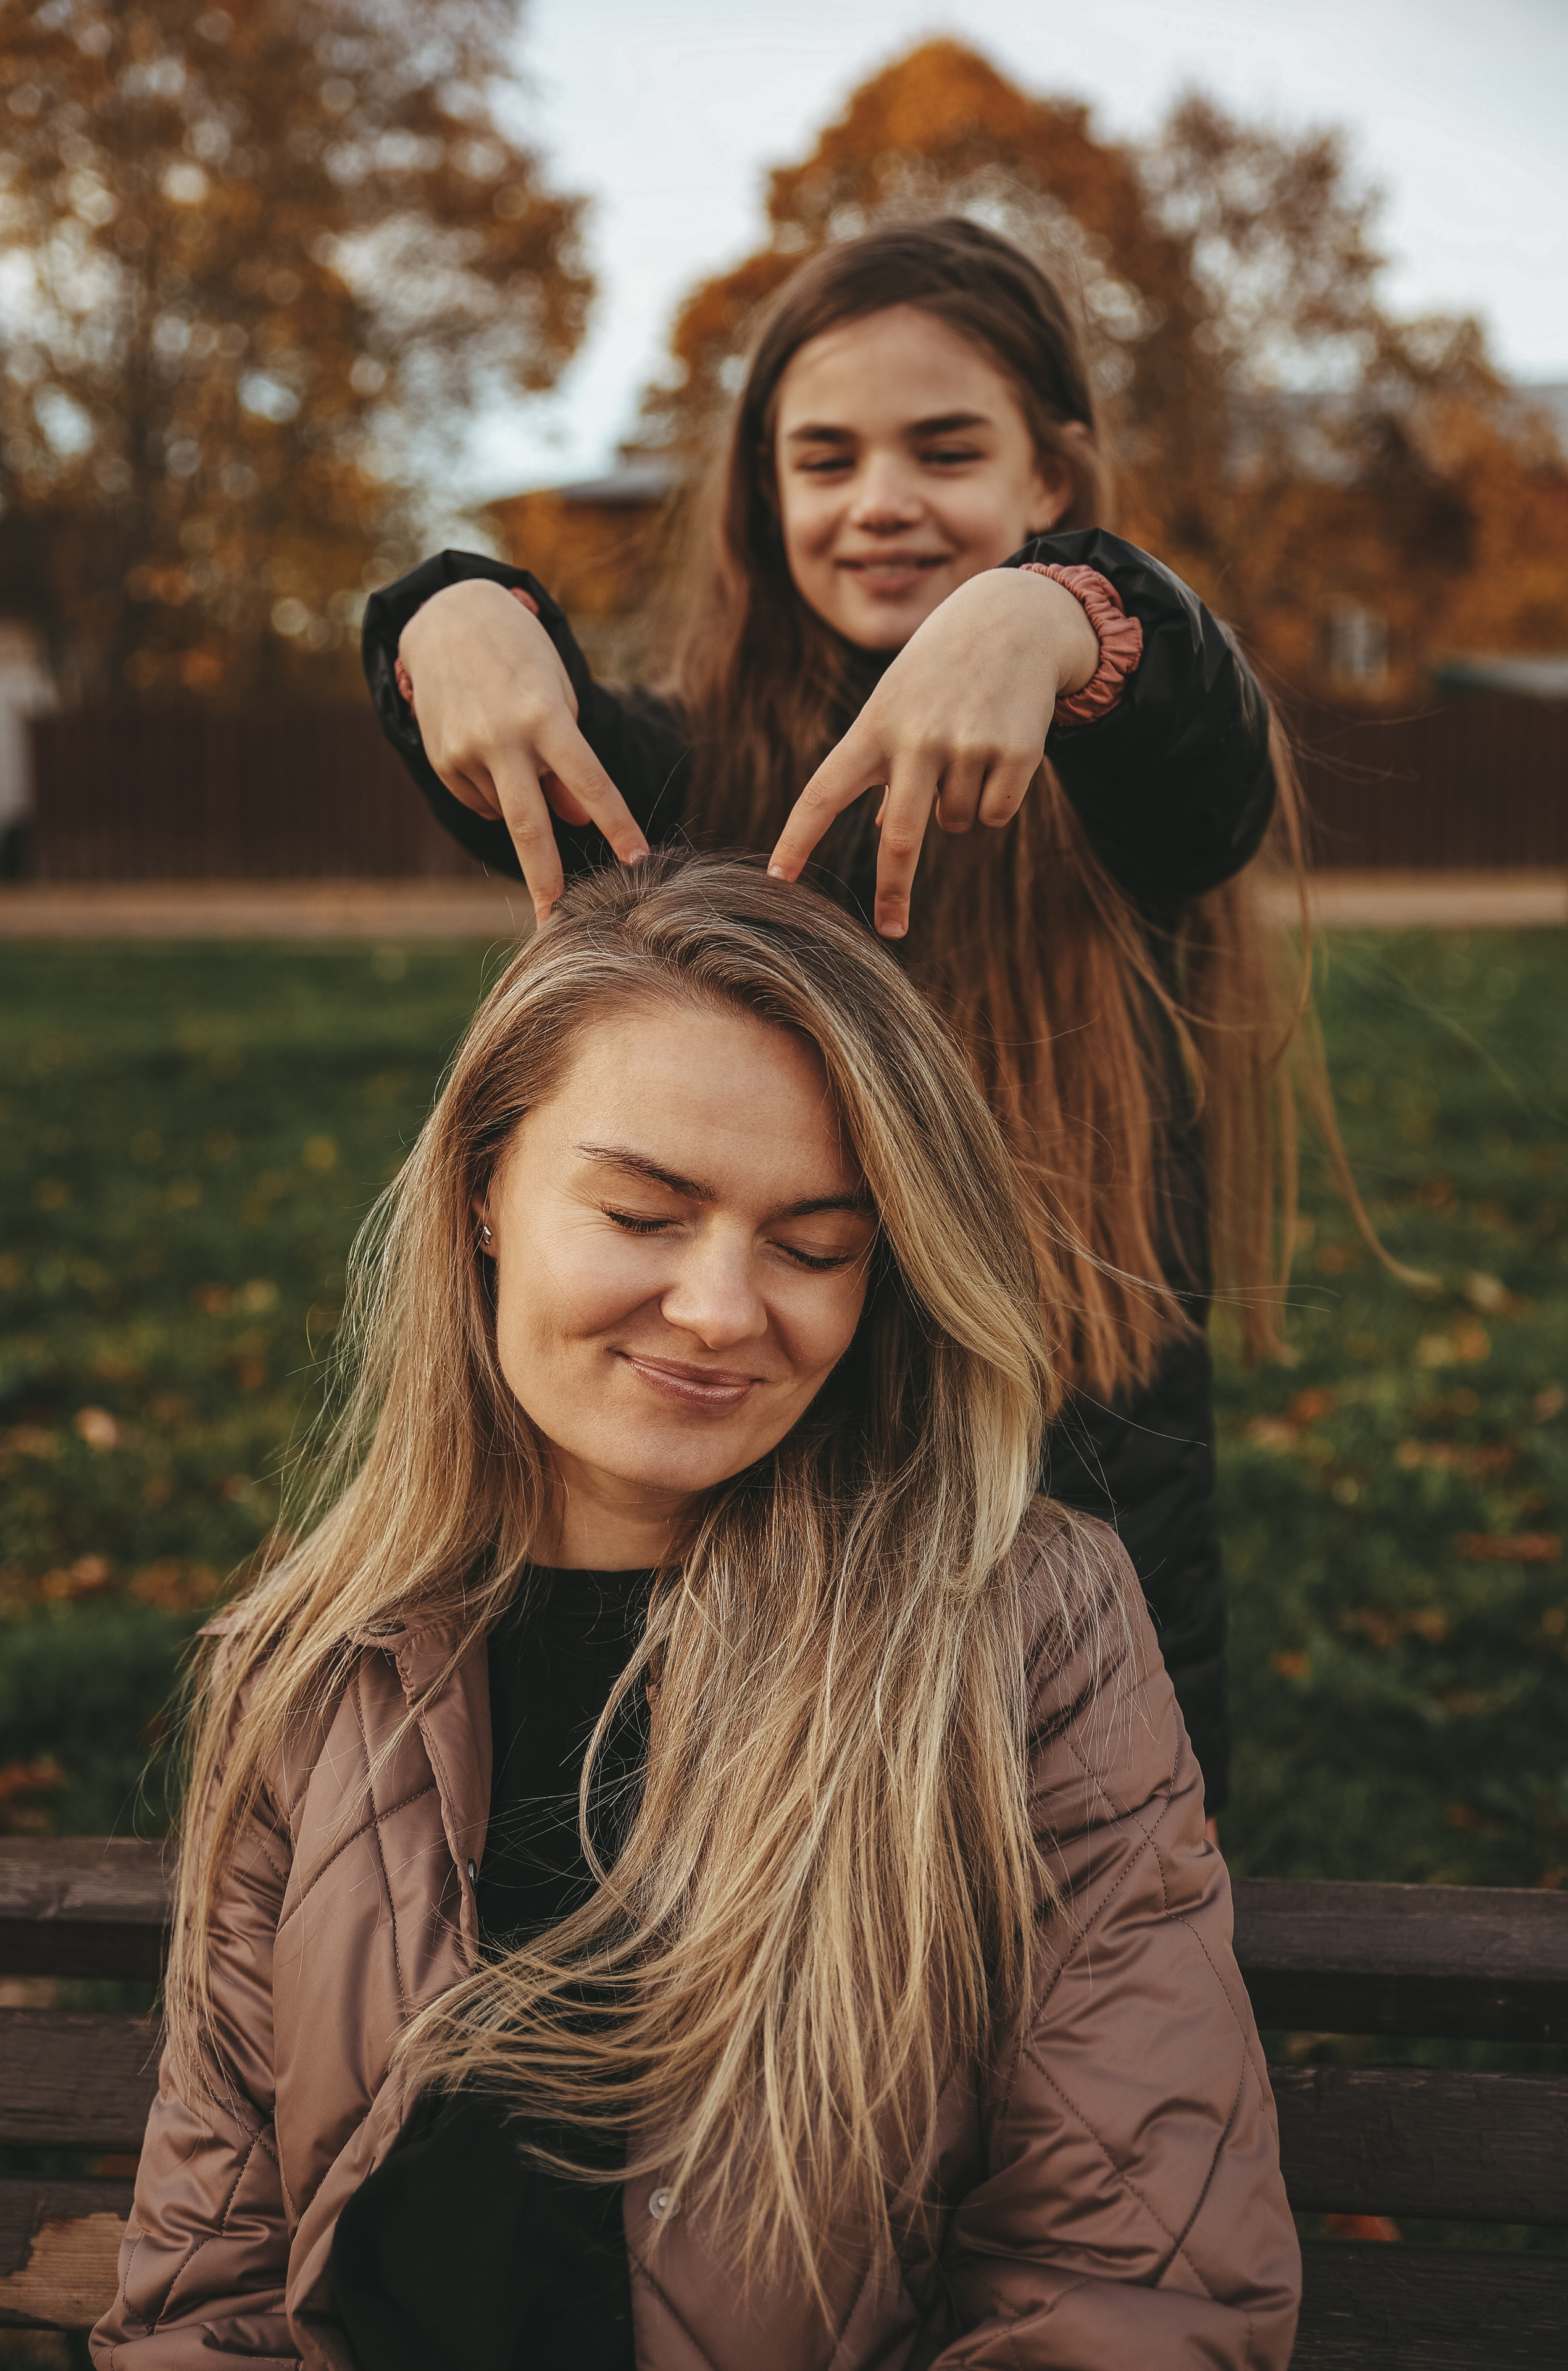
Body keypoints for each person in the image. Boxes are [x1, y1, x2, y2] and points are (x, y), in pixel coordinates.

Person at [93, 857, 1299, 2370]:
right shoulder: (311, 1670)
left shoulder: (1018, 1634)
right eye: (644, 1213)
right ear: (483, 1189)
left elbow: (1136, 2294)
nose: (726, 1310)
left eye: (813, 1248)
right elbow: (209, 2295)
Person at [360, 216, 1324, 1829]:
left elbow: (1201, 745)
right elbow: (493, 705)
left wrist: (1061, 611)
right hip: (753, 1603)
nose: (880, 500)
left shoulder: (1131, 798)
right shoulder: (686, 797)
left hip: (1078, 1590)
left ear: (1052, 469)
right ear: (765, 495)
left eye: (945, 449)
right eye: (825, 459)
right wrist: (443, 616)